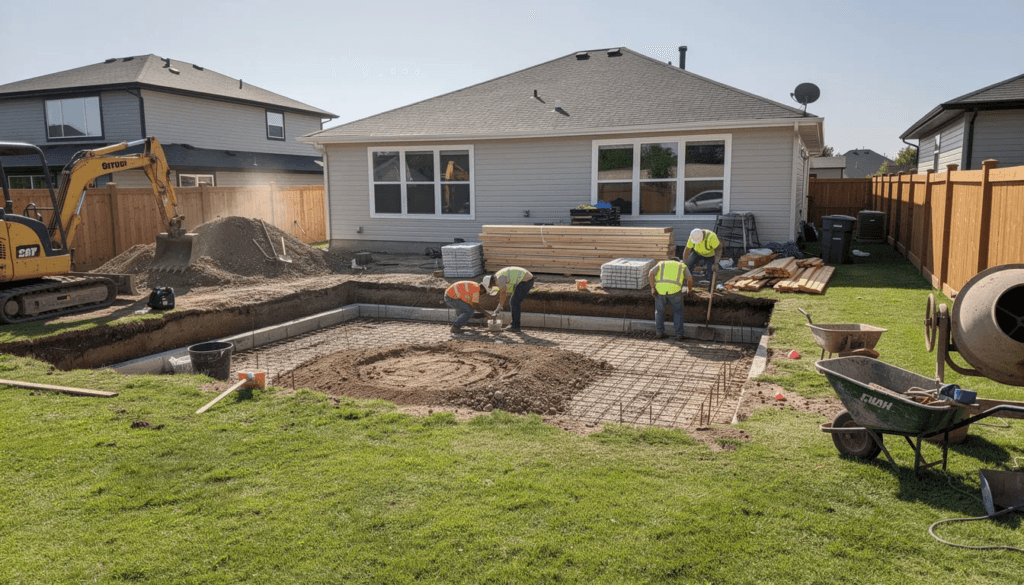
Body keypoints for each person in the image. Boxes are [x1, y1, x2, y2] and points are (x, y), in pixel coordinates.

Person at [648, 258, 694, 341]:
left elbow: (651, 273)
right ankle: (679, 334)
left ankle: (659, 333)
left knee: (659, 312)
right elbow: (689, 278)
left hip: (660, 290)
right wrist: (689, 289)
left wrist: (652, 288)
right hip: (675, 291)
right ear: (677, 261)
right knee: (677, 312)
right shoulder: (682, 265)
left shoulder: (662, 263)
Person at [491, 266, 534, 332]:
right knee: (514, 301)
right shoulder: (500, 276)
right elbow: (506, 292)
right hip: (526, 280)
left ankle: (515, 326)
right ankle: (514, 325)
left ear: (494, 281)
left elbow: (503, 292)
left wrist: (500, 306)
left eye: (495, 285)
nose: (497, 286)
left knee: (514, 302)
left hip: (526, 280)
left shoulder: (499, 278)